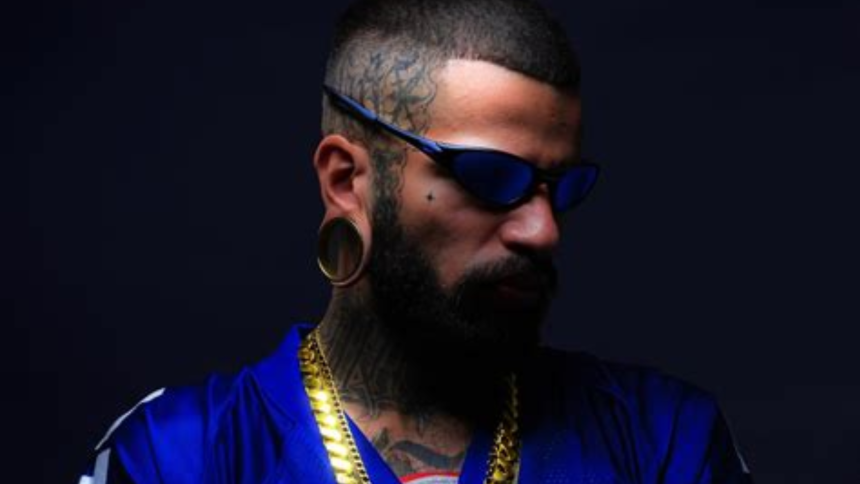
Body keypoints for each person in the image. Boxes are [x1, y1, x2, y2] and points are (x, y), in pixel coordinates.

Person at [79, 0, 753, 483]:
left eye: (559, 187)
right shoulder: (179, 457)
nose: (543, 230)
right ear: (347, 180)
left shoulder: (661, 439)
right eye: (492, 177)